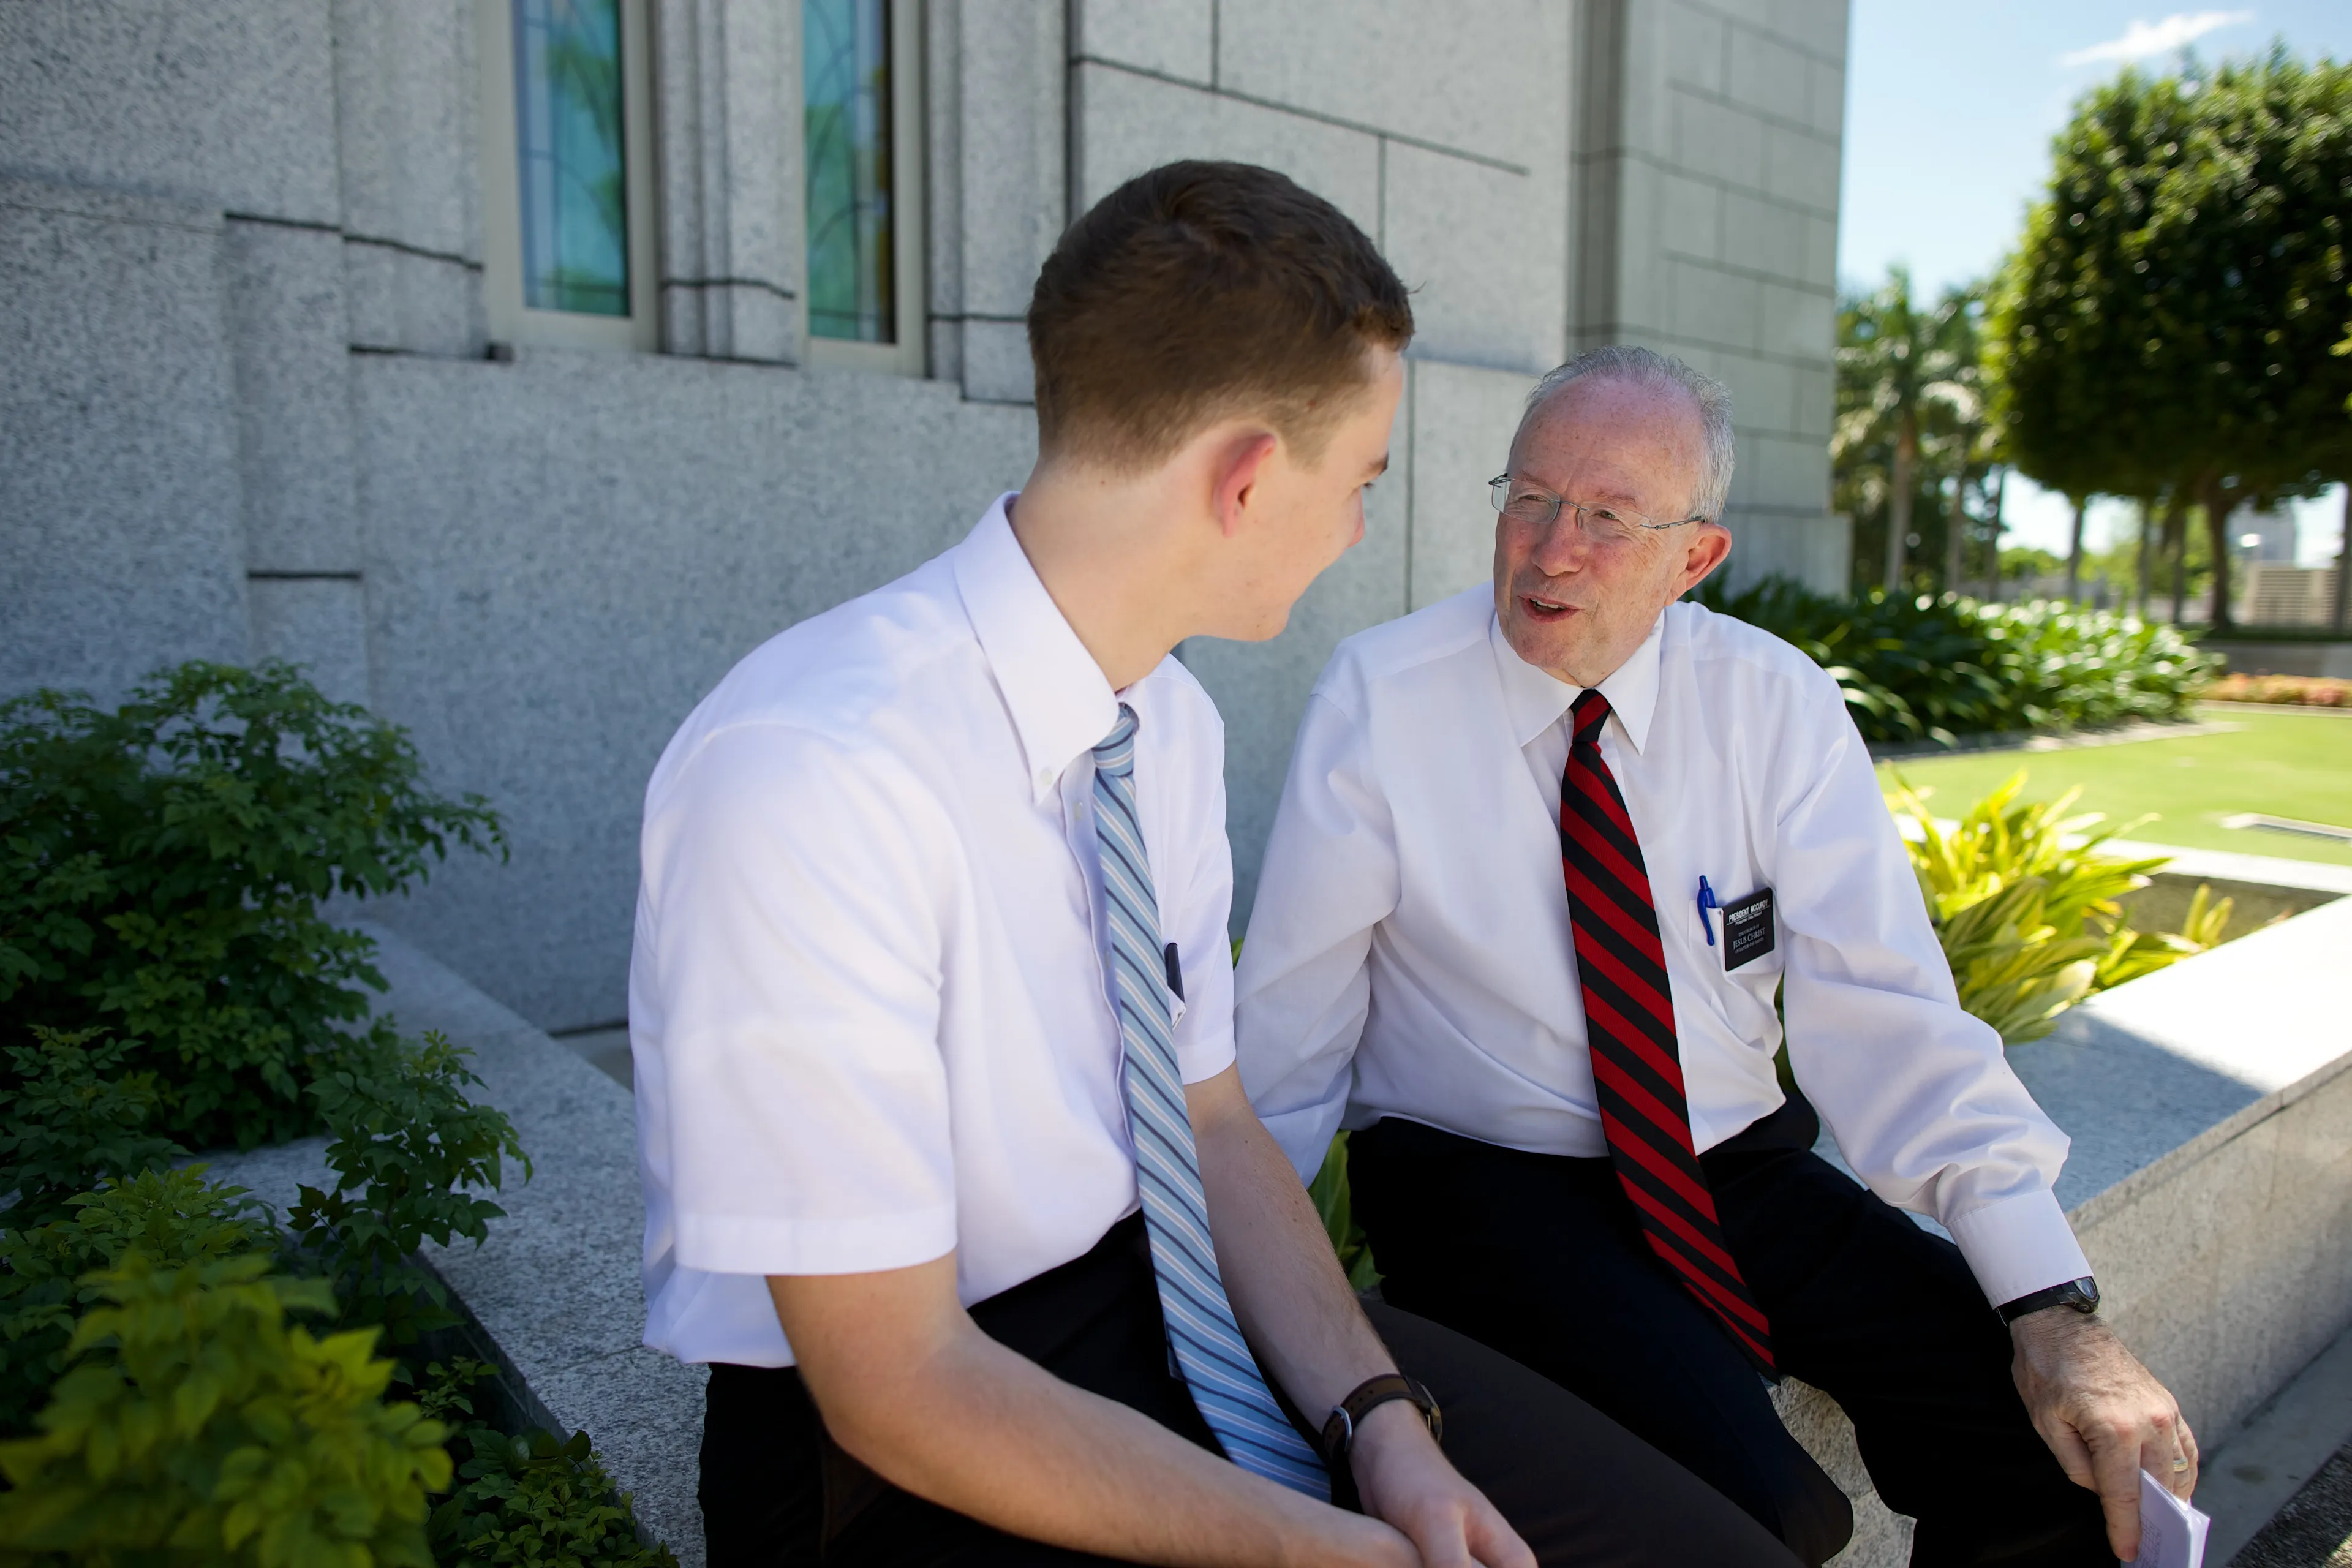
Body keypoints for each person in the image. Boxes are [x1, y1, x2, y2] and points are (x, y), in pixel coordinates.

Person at [631, 167, 1801, 1568]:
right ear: (1248, 479)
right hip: (886, 1448)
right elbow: (894, 1385)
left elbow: (1212, 1112)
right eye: (1362, 480)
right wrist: (1332, 1548)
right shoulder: (812, 769)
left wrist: (1382, 1422)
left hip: (1159, 1301)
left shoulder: (1164, 723)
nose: (1365, 528)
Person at [1234, 345, 2199, 1568]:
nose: (1551, 548)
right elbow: (1288, 1035)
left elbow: (1890, 1012)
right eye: (1529, 497)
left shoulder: (1775, 704)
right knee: (1764, 1510)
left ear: (1697, 557)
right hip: (1484, 1181)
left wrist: (2050, 1304)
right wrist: (1223, 1309)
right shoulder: (1384, 695)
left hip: (1734, 1167)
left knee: (2040, 1446)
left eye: (1608, 518)